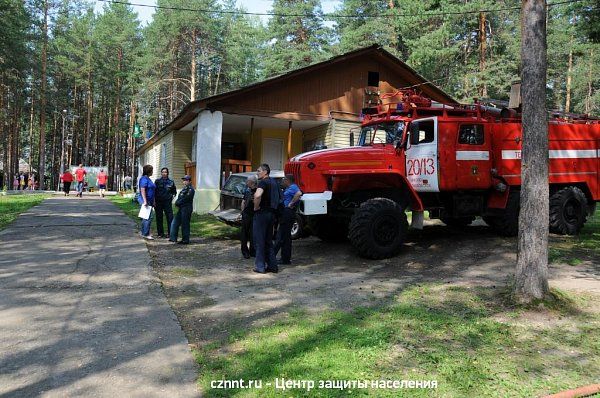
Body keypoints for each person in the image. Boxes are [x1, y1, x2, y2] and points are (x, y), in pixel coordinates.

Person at [252, 163, 280, 274]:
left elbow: (257, 195)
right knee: (268, 241)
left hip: (262, 214)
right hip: (272, 214)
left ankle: (260, 266)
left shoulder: (263, 182)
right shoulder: (274, 182)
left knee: (259, 241)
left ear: (265, 172)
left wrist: (256, 207)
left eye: (259, 171)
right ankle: (273, 266)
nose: (257, 173)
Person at [273, 174, 303, 265]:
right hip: (285, 213)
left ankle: (272, 256)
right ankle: (285, 258)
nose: (282, 181)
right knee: (286, 237)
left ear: (288, 180)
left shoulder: (293, 187)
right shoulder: (288, 188)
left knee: (281, 236)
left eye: (284, 180)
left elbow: (299, 193)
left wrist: (291, 203)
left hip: (288, 213)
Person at [170, 175, 195, 244]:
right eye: (184, 180)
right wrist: (177, 202)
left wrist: (178, 203)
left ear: (189, 181)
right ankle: (173, 238)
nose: (184, 182)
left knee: (185, 224)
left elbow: (186, 199)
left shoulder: (191, 189)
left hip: (186, 208)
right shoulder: (184, 189)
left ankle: (185, 240)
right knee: (175, 222)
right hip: (181, 208)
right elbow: (180, 197)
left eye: (186, 180)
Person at [154, 168, 177, 238]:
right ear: (161, 173)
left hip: (167, 202)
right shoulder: (157, 181)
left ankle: (170, 233)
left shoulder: (171, 182)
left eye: (165, 172)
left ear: (168, 173)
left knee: (170, 218)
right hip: (158, 202)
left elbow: (174, 192)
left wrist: (172, 197)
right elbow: (154, 192)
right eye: (163, 172)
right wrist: (154, 201)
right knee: (159, 218)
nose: (164, 173)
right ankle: (160, 233)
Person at [240, 175, 257, 259]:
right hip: (246, 214)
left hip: (254, 215)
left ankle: (253, 251)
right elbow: (243, 201)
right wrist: (242, 212)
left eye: (247, 180)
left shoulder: (258, 191)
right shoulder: (247, 190)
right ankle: (245, 251)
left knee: (253, 234)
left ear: (252, 182)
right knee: (244, 234)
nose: (246, 182)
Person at [138, 165, 156, 240]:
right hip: (146, 201)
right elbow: (142, 190)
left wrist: (154, 201)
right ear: (149, 171)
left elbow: (152, 190)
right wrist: (145, 201)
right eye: (152, 170)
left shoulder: (148, 179)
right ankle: (145, 234)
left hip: (150, 201)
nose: (152, 172)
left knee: (146, 217)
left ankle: (143, 232)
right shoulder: (144, 179)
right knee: (148, 217)